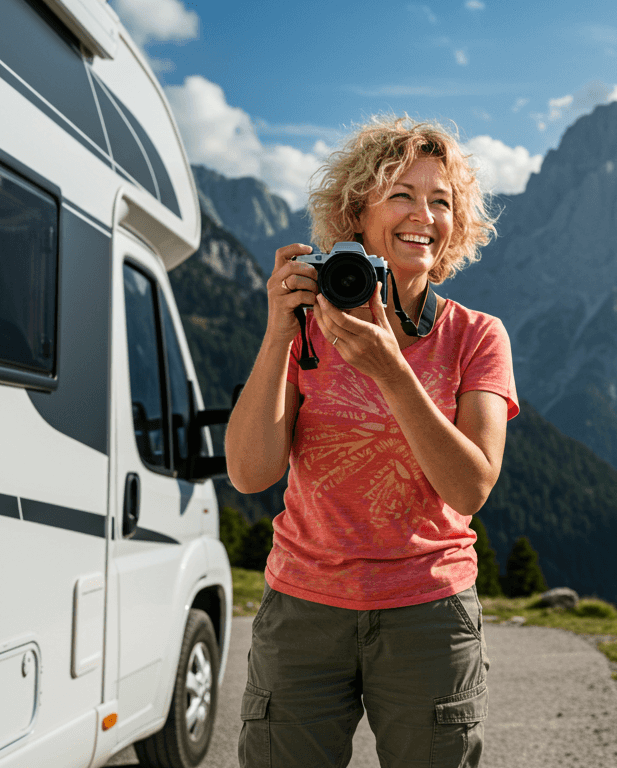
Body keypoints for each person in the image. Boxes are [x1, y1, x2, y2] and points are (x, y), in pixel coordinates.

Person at [225, 116, 518, 768]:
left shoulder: (477, 337)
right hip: (302, 608)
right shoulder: (307, 324)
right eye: (401, 195)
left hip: (430, 613)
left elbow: (471, 487)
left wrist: (390, 368)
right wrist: (278, 331)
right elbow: (248, 473)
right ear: (356, 212)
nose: (424, 214)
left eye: (441, 201)